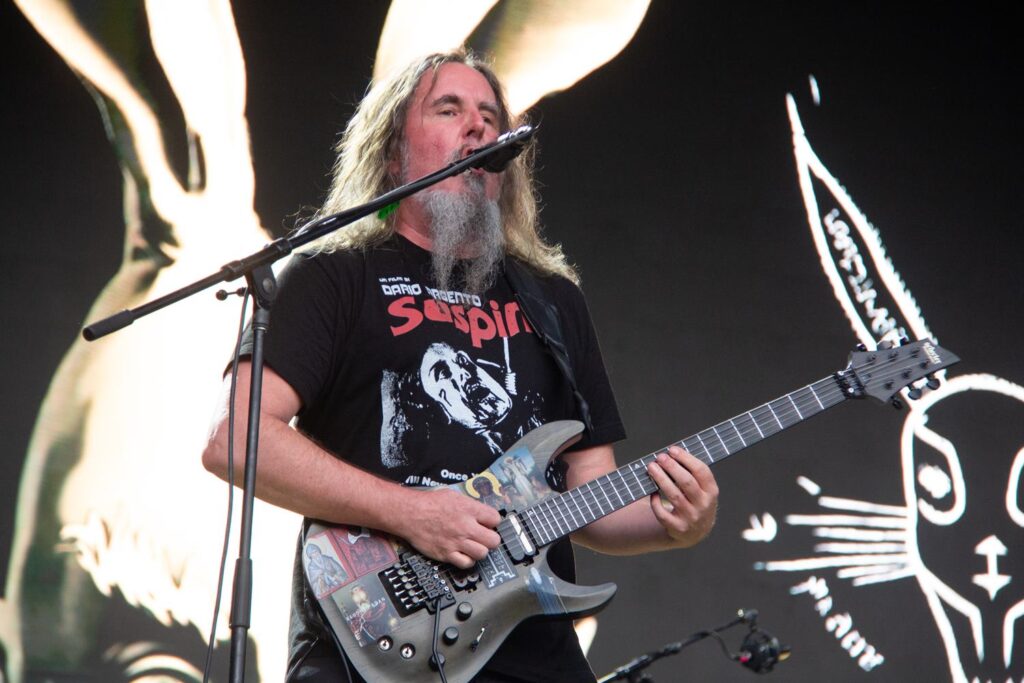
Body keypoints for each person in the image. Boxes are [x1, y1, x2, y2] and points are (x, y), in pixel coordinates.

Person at [202, 50, 718, 683]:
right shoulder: (332, 275)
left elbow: (590, 496)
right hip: (372, 645)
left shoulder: (553, 300)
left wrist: (674, 524)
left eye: (490, 117)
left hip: (535, 658)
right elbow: (235, 439)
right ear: (392, 153)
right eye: (448, 110)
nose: (477, 127)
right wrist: (411, 512)